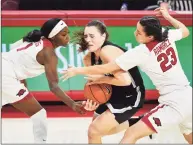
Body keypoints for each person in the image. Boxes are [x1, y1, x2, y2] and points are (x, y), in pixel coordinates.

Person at [61, 5, 192, 144]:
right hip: (188, 94)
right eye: (136, 29)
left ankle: (139, 123)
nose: (135, 33)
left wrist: (77, 70)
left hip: (170, 102)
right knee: (189, 136)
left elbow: (112, 70)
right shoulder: (166, 34)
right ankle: (137, 122)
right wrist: (168, 17)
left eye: (139, 32)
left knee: (130, 134)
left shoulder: (141, 52)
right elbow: (185, 31)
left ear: (150, 36)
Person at [2, 18, 86, 143]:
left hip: (5, 68)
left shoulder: (37, 39)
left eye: (67, 33)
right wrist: (72, 104)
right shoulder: (49, 53)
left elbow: (14, 48)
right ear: (52, 37)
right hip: (5, 75)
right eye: (63, 34)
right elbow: (53, 86)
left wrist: (21, 82)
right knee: (39, 114)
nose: (67, 37)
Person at [65, 20, 145, 143]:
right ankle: (138, 122)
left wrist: (81, 72)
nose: (88, 40)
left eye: (92, 36)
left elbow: (125, 81)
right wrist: (92, 102)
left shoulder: (107, 50)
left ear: (103, 36)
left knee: (94, 130)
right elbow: (94, 84)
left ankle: (139, 124)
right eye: (86, 36)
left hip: (131, 95)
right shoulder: (88, 58)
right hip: (113, 92)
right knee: (96, 130)